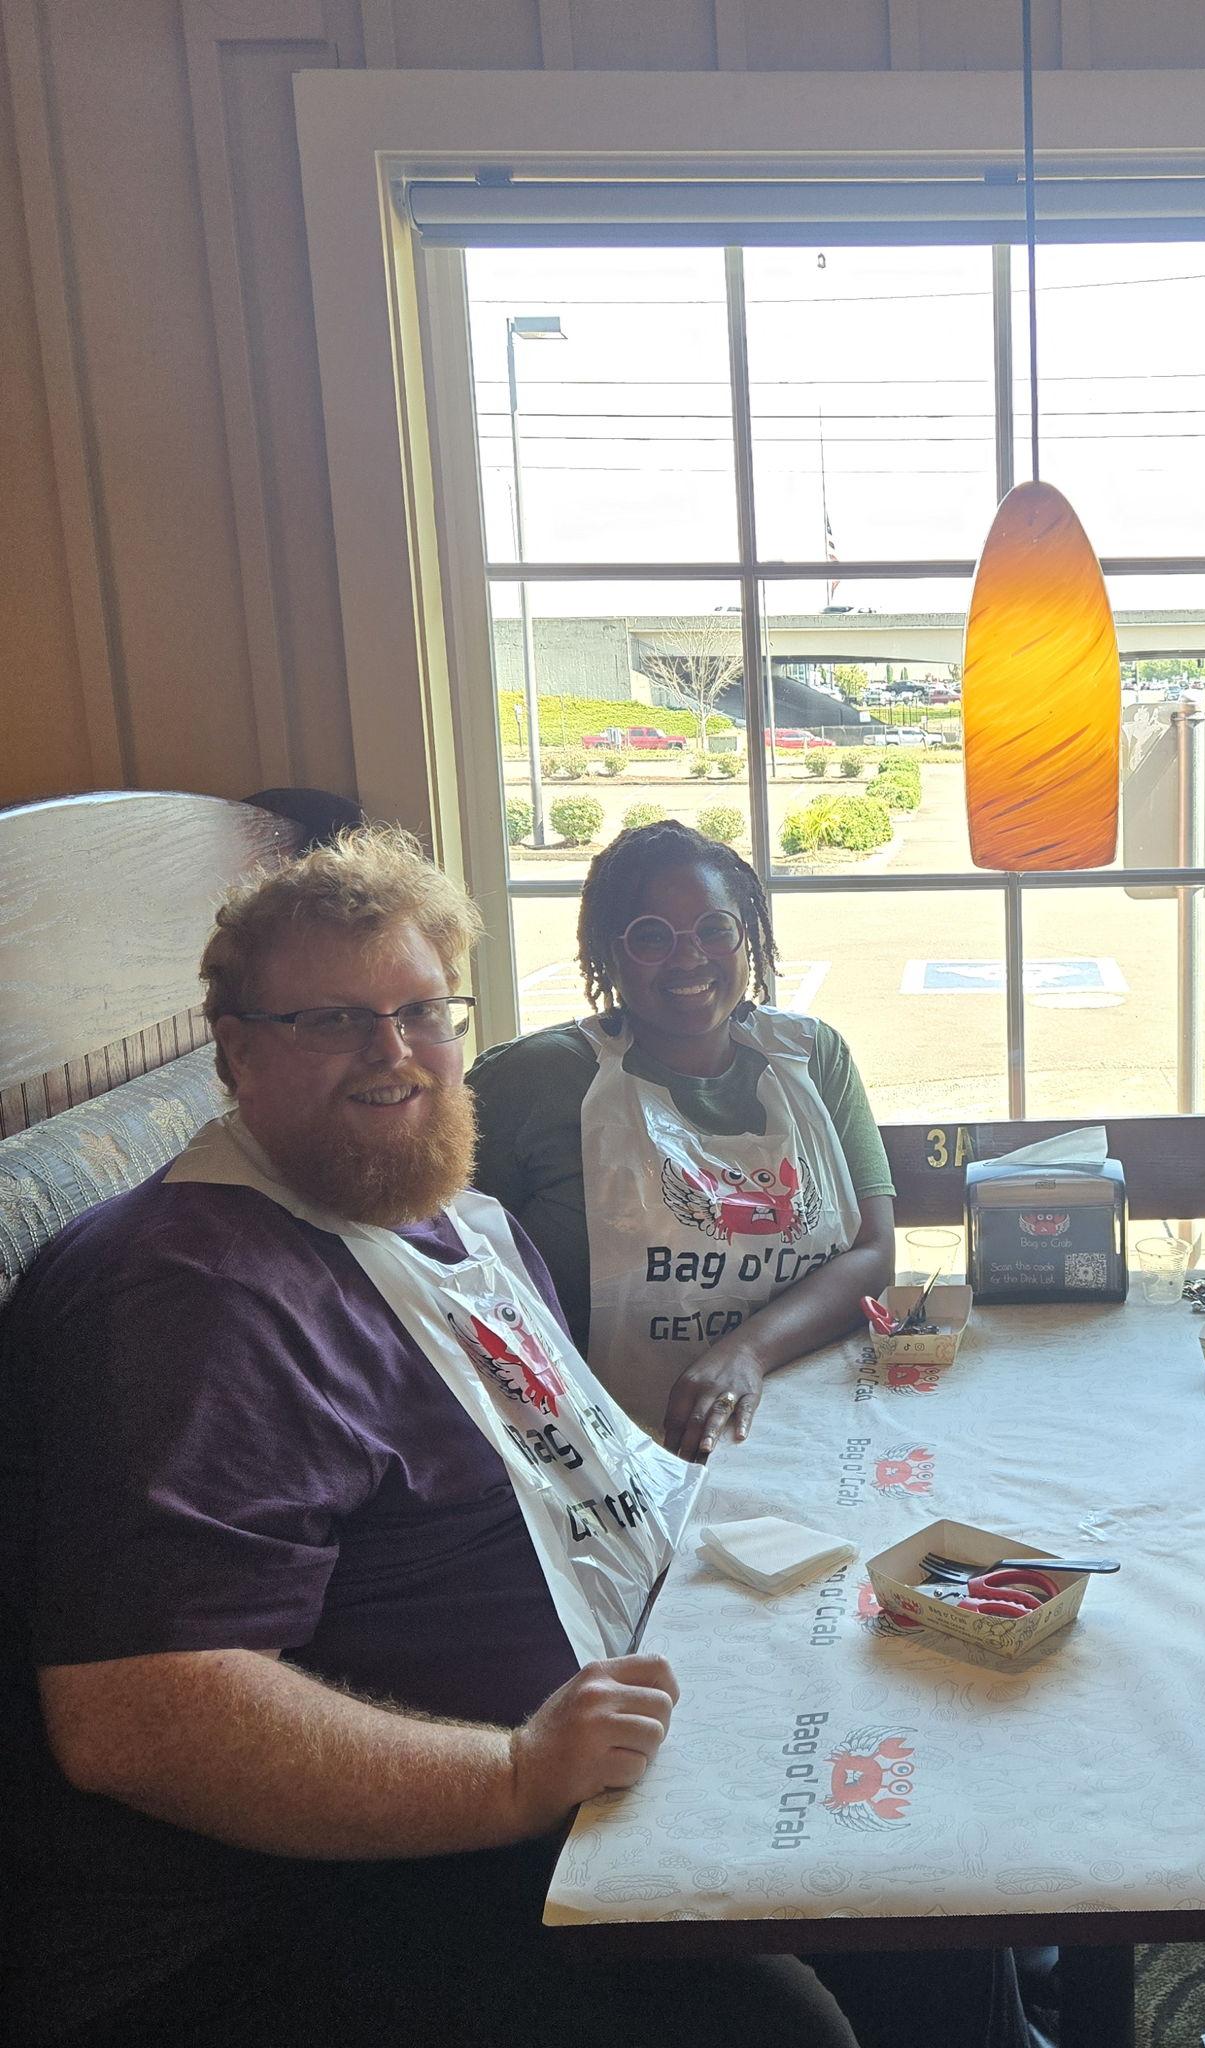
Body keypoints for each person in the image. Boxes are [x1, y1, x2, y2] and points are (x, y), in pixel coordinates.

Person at [1, 828, 1020, 2048]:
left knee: (944, 1853)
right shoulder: (189, 1293)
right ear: (235, 1052)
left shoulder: (452, 1219)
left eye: (419, 1012)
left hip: (596, 1715)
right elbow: (140, 1719)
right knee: (777, 2030)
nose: (391, 1052)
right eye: (331, 1020)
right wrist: (516, 1771)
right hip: (327, 1881)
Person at [468, 820, 895, 1457]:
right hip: (601, 1447)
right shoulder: (531, 1080)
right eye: (651, 937)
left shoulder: (813, 1057)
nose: (689, 958)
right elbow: (445, 1271)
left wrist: (746, 1351)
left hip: (805, 1420)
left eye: (714, 929)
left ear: (748, 937)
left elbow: (874, 1251)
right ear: (607, 953)